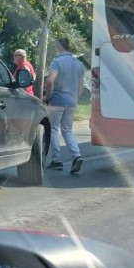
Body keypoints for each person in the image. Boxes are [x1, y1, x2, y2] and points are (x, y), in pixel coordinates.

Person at [43, 39, 86, 174]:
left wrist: (47, 97)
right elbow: (81, 86)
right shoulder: (78, 64)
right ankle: (76, 155)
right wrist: (75, 98)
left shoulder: (57, 62)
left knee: (54, 129)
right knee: (67, 130)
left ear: (58, 47)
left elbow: (50, 81)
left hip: (57, 101)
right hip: (72, 102)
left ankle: (57, 159)